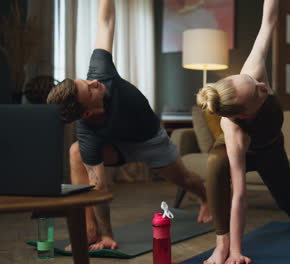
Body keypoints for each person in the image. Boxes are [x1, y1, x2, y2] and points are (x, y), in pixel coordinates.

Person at [47, 0, 211, 251]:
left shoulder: (100, 71)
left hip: (150, 140)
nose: (93, 83)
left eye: (86, 81)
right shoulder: (88, 131)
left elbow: (106, 22)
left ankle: (205, 198)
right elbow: (98, 187)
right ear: (87, 113)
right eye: (88, 90)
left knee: (185, 179)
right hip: (117, 145)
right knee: (76, 152)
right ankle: (91, 231)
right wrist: (108, 235)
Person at [196, 1, 290, 263]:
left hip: (270, 146)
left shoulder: (253, 74)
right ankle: (221, 244)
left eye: (257, 83)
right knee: (215, 167)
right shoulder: (234, 131)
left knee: (284, 189)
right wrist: (236, 251)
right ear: (244, 114)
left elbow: (268, 20)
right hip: (233, 149)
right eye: (258, 92)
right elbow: (240, 195)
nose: (263, 87)